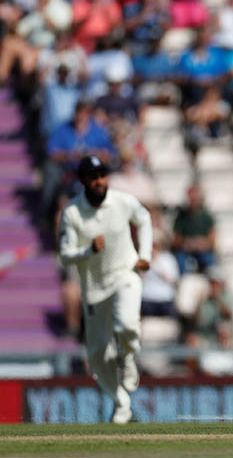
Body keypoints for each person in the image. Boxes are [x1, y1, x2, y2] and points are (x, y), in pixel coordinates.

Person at [57, 155, 152, 424]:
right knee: (98, 355)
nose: (99, 181)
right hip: (95, 289)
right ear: (83, 180)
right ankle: (121, 403)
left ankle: (129, 358)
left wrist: (144, 254)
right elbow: (65, 255)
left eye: (102, 175)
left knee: (127, 326)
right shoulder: (73, 212)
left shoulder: (122, 201)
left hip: (126, 274)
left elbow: (144, 219)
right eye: (93, 176)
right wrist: (89, 250)